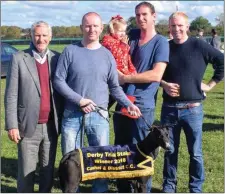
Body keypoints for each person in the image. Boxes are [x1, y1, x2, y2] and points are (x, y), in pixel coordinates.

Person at [53, 12, 141, 193]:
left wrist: (128, 104)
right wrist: (79, 100)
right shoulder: (70, 51)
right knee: (71, 164)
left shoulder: (107, 55)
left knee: (101, 165)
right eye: (87, 26)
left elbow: (115, 87)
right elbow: (58, 81)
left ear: (101, 28)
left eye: (95, 26)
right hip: (72, 116)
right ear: (81, 28)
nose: (91, 29)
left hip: (99, 116)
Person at [160, 12, 224, 193]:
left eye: (180, 26)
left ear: (187, 27)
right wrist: (164, 84)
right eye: (173, 26)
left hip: (193, 110)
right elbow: (155, 73)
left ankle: (195, 188)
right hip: (169, 109)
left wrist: (210, 84)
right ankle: (169, 186)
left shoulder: (199, 45)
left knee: (195, 153)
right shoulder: (165, 47)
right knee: (170, 150)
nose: (176, 29)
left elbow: (221, 61)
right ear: (169, 28)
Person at [114, 2, 169, 192]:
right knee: (120, 150)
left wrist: (125, 78)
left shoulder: (160, 42)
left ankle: (141, 189)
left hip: (142, 105)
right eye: (137, 15)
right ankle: (123, 188)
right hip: (122, 101)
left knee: (143, 152)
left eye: (145, 14)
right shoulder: (132, 36)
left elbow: (156, 75)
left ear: (154, 16)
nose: (141, 18)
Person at [4, 21, 63, 192]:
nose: (41, 39)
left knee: (48, 171)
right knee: (26, 173)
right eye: (37, 35)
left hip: (52, 126)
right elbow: (11, 95)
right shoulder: (19, 58)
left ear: (50, 37)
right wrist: (12, 125)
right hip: (28, 126)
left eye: (44, 35)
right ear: (31, 36)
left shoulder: (57, 59)